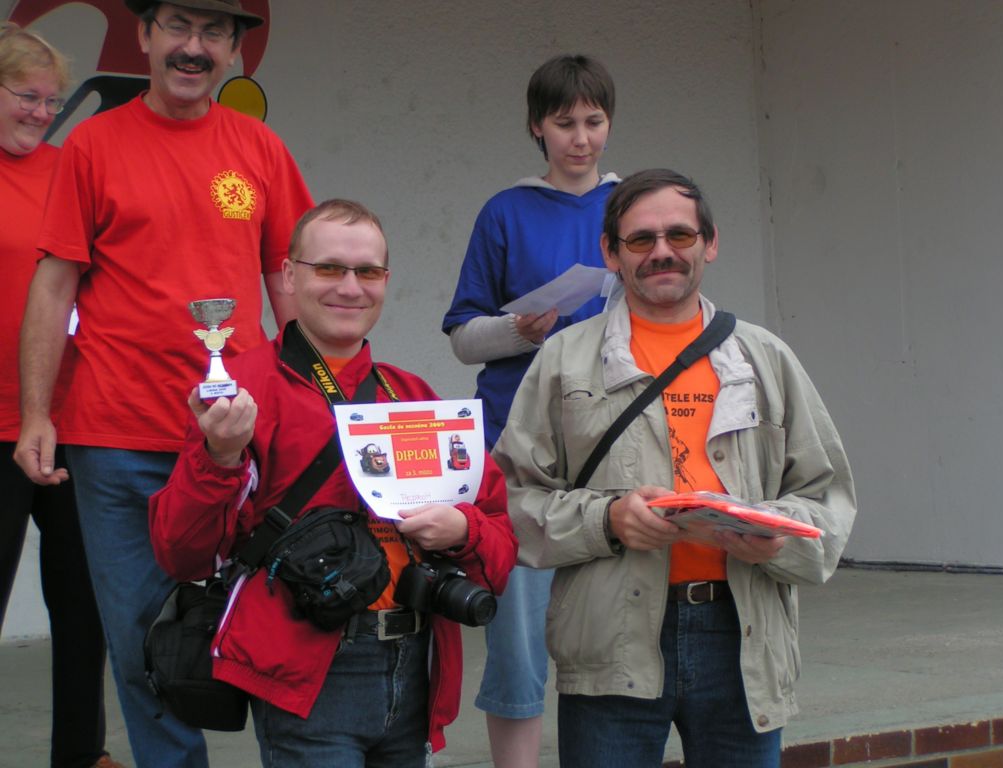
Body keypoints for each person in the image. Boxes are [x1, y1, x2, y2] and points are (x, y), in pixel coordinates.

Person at [12, 2, 313, 766]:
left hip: (237, 438)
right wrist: (38, 413)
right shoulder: (93, 145)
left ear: (234, 50)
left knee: (274, 628)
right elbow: (54, 283)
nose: (193, 47)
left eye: (214, 33)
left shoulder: (260, 147)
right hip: (115, 439)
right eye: (178, 26)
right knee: (143, 646)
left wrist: (314, 401)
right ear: (144, 35)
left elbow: (290, 283)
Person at [492, 168, 857, 768]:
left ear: (709, 244)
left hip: (741, 639)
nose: (662, 251)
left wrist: (778, 535)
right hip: (609, 638)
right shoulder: (564, 359)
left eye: (680, 235)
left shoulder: (765, 357)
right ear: (611, 252)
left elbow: (827, 494)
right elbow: (509, 501)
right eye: (641, 239)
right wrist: (608, 520)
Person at [149, 199, 518, 767]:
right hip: (309, 674)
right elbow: (183, 554)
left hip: (415, 667)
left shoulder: (412, 397)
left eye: (367, 271)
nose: (350, 287)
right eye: (329, 268)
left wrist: (463, 530)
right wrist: (218, 458)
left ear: (385, 282)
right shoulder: (242, 390)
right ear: (288, 275)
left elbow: (500, 547)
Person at [441, 53, 618, 768]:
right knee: (517, 635)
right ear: (536, 127)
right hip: (516, 444)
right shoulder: (505, 211)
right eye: (564, 122)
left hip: (610, 441)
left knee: (612, 634)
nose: (581, 138)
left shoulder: (634, 206)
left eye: (594, 121)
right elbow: (462, 337)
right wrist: (520, 330)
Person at [0, 24, 122, 768]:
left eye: (52, 100)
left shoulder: (66, 171)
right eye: (27, 96)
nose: (43, 112)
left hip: (71, 418)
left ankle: (81, 753)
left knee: (84, 602)